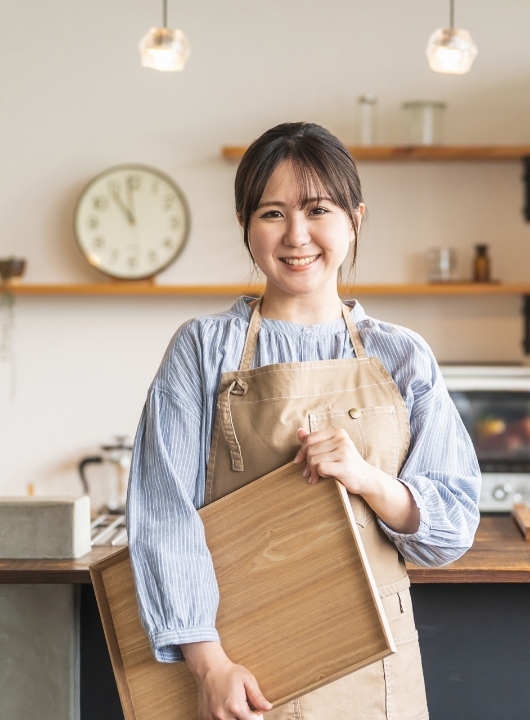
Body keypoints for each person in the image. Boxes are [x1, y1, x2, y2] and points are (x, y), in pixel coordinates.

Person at [127, 122, 481, 720]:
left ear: (354, 220)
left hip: (376, 672)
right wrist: (210, 665)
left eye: (318, 209)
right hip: (240, 668)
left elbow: (451, 528)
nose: (296, 236)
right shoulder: (202, 350)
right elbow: (164, 515)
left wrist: (367, 478)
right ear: (246, 226)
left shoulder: (402, 356)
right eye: (271, 213)